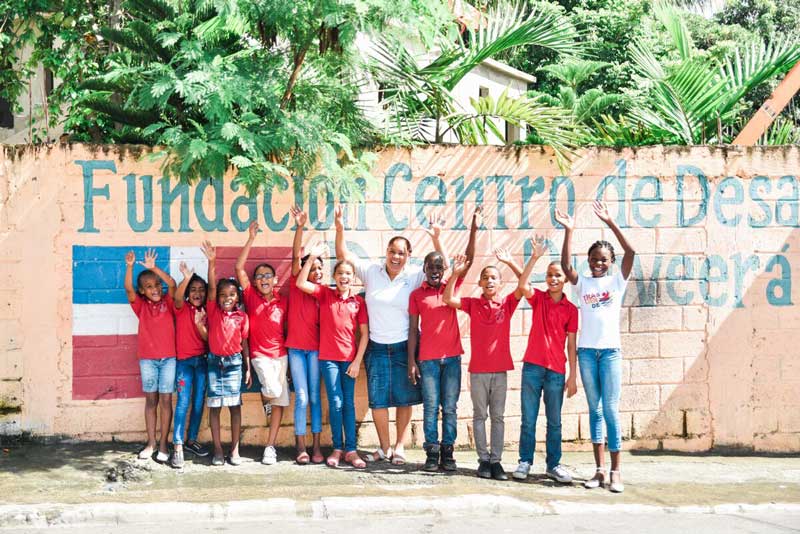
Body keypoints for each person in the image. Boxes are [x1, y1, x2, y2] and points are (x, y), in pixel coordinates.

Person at [334, 205, 445, 465]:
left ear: (408, 256)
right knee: (379, 400)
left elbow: (443, 266)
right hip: (376, 346)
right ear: (386, 252)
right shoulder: (372, 272)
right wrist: (340, 228)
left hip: (405, 346)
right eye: (392, 252)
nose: (396, 257)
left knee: (405, 398)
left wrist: (437, 237)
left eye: (402, 253)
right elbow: (343, 255)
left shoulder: (415, 275)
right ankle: (384, 448)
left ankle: (399, 448)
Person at [555, 200, 636, 493]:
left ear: (610, 262)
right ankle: (599, 470)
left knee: (611, 410)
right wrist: (569, 231)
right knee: (595, 410)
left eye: (603, 259)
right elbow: (565, 266)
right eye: (594, 259)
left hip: (610, 353)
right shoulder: (584, 284)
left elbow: (631, 252)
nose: (598, 263)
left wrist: (612, 222)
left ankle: (616, 471)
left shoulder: (617, 281)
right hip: (587, 353)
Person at [443, 248, 529, 481]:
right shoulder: (473, 304)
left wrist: (511, 262)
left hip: (500, 371)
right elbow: (448, 299)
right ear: (480, 283)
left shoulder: (507, 304)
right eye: (486, 277)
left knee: (498, 417)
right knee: (480, 415)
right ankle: (483, 460)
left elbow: (524, 285)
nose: (490, 280)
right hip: (478, 371)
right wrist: (454, 274)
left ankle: (496, 461)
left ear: (500, 283)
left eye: (494, 277)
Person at [408, 206, 480, 472]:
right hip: (426, 361)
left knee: (449, 407)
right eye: (431, 267)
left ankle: (448, 453)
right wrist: (411, 361)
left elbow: (469, 259)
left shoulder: (453, 286)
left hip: (451, 359)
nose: (436, 270)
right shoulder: (417, 295)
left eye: (440, 266)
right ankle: (431, 453)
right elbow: (413, 330)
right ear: (424, 269)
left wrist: (474, 226)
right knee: (430, 408)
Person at [512, 236, 579, 484]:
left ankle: (554, 464)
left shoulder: (571, 310)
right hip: (532, 368)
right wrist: (534, 257)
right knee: (528, 419)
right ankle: (525, 461)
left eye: (558, 275)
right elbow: (522, 283)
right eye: (550, 274)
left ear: (565, 280)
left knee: (555, 422)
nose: (553, 279)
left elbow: (571, 345)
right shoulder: (538, 299)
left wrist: (573, 376)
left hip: (556, 372)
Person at [296, 241, 369, 469]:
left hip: (350, 361)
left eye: (348, 273)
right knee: (335, 402)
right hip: (328, 359)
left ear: (353, 277)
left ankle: (351, 450)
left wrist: (357, 361)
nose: (344, 277)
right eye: (340, 273)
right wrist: (312, 258)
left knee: (348, 403)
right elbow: (300, 282)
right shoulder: (326, 295)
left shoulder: (359, 303)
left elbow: (365, 335)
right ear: (334, 276)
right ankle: (337, 448)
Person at [235, 222, 289, 466]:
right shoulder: (250, 296)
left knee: (280, 401)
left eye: (268, 275)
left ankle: (270, 447)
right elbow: (238, 267)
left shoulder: (283, 301)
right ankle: (266, 398)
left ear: (275, 280)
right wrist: (251, 238)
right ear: (255, 282)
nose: (264, 279)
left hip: (281, 355)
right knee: (274, 392)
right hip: (259, 355)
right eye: (260, 276)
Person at [124, 248, 177, 463]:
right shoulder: (141, 306)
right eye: (149, 286)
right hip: (148, 359)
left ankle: (164, 442)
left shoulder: (169, 301)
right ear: (142, 291)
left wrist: (154, 268)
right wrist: (130, 267)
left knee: (166, 400)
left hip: (169, 359)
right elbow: (128, 289)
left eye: (156, 285)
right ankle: (151, 442)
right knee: (151, 401)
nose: (155, 289)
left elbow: (172, 284)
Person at [201, 240, 251, 467]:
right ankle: (218, 449)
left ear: (238, 298)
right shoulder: (213, 312)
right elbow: (211, 289)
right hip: (214, 363)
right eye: (223, 294)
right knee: (214, 406)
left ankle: (235, 449)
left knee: (234, 406)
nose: (227, 298)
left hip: (234, 363)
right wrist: (212, 263)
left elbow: (245, 343)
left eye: (232, 294)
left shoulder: (242, 317)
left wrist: (247, 367)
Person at [286, 206, 324, 464]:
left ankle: (317, 446)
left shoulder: (323, 292)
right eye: (314, 268)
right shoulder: (296, 285)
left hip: (316, 350)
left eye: (321, 269)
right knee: (301, 396)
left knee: (314, 396)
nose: (317, 272)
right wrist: (300, 227)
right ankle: (300, 445)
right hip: (296, 349)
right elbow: (295, 259)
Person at [170, 262, 210, 468]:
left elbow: (209, 339)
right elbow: (177, 297)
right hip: (184, 363)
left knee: (197, 403)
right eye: (193, 290)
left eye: (201, 290)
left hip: (202, 362)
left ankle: (191, 440)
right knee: (183, 403)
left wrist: (200, 324)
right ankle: (177, 445)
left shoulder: (207, 311)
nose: (197, 293)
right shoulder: (181, 307)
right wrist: (186, 278)